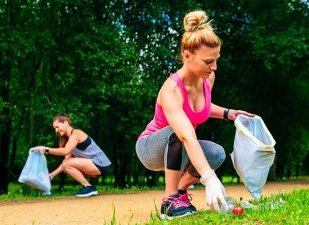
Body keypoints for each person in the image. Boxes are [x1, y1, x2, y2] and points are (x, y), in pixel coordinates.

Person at [135, 10, 254, 218]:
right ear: (187, 56)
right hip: (150, 149)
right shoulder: (171, 89)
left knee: (216, 152)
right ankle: (169, 201)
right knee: (179, 131)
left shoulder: (208, 78)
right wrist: (209, 178)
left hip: (180, 145)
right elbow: (185, 135)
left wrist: (229, 113)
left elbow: (201, 108)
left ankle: (180, 192)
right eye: (208, 61)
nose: (214, 66)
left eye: (216, 60)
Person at [31, 114, 112, 197]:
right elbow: (65, 164)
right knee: (66, 166)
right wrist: (51, 175)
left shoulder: (76, 134)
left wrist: (45, 149)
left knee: (67, 164)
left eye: (57, 127)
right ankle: (88, 187)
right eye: (55, 128)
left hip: (100, 164)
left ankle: (88, 187)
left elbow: (65, 151)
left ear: (66, 123)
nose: (56, 130)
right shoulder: (68, 140)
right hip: (93, 167)